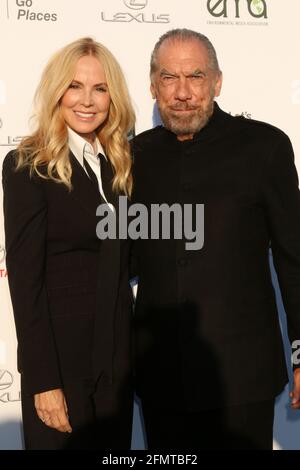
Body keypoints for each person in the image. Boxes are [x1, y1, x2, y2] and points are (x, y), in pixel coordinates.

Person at [131, 28, 300, 450]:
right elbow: (118, 258)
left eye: (196, 77)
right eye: (170, 78)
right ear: (153, 85)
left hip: (244, 382)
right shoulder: (131, 156)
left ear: (217, 82)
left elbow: (294, 258)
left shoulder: (265, 147)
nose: (183, 92)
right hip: (161, 381)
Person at [2, 37, 135, 450]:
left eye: (100, 88)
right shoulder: (28, 164)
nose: (88, 100)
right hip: (60, 364)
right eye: (75, 86)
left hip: (116, 365)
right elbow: (26, 283)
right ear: (57, 91)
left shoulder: (121, 165)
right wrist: (43, 381)